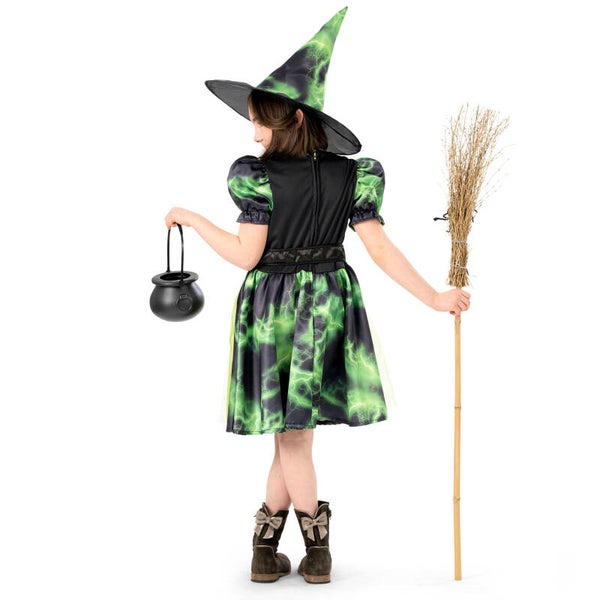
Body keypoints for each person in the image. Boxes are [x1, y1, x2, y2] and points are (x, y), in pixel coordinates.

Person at [164, 7, 470, 585]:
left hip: (274, 310)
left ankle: (316, 552)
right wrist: (432, 297)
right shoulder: (353, 174)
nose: (254, 134)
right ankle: (264, 551)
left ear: (293, 119)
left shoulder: (255, 176)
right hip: (330, 302)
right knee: (291, 432)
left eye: (261, 123)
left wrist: (194, 220)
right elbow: (378, 248)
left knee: (294, 434)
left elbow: (246, 255)